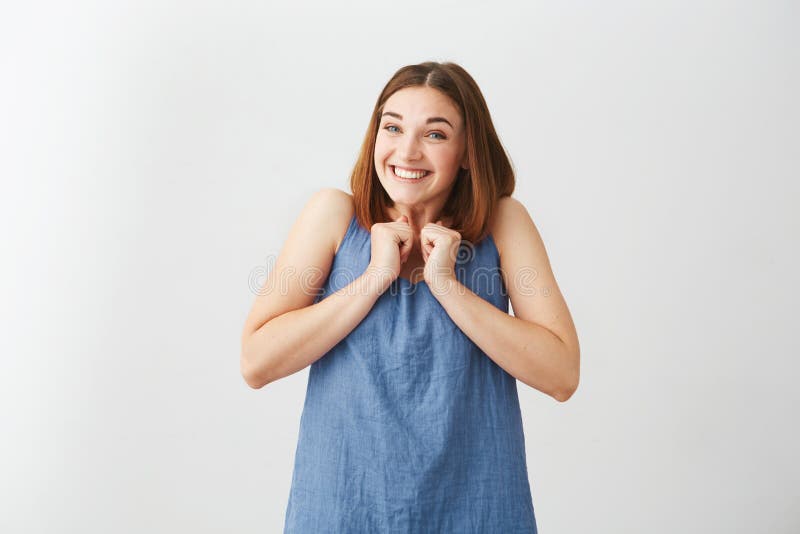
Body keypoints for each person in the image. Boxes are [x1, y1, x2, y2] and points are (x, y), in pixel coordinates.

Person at [240, 61, 580, 533]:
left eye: (435, 134)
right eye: (393, 127)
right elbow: (256, 361)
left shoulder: (504, 223)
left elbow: (561, 373)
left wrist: (447, 286)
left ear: (466, 151)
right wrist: (376, 275)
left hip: (478, 511)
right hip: (342, 510)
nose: (407, 151)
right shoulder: (332, 216)